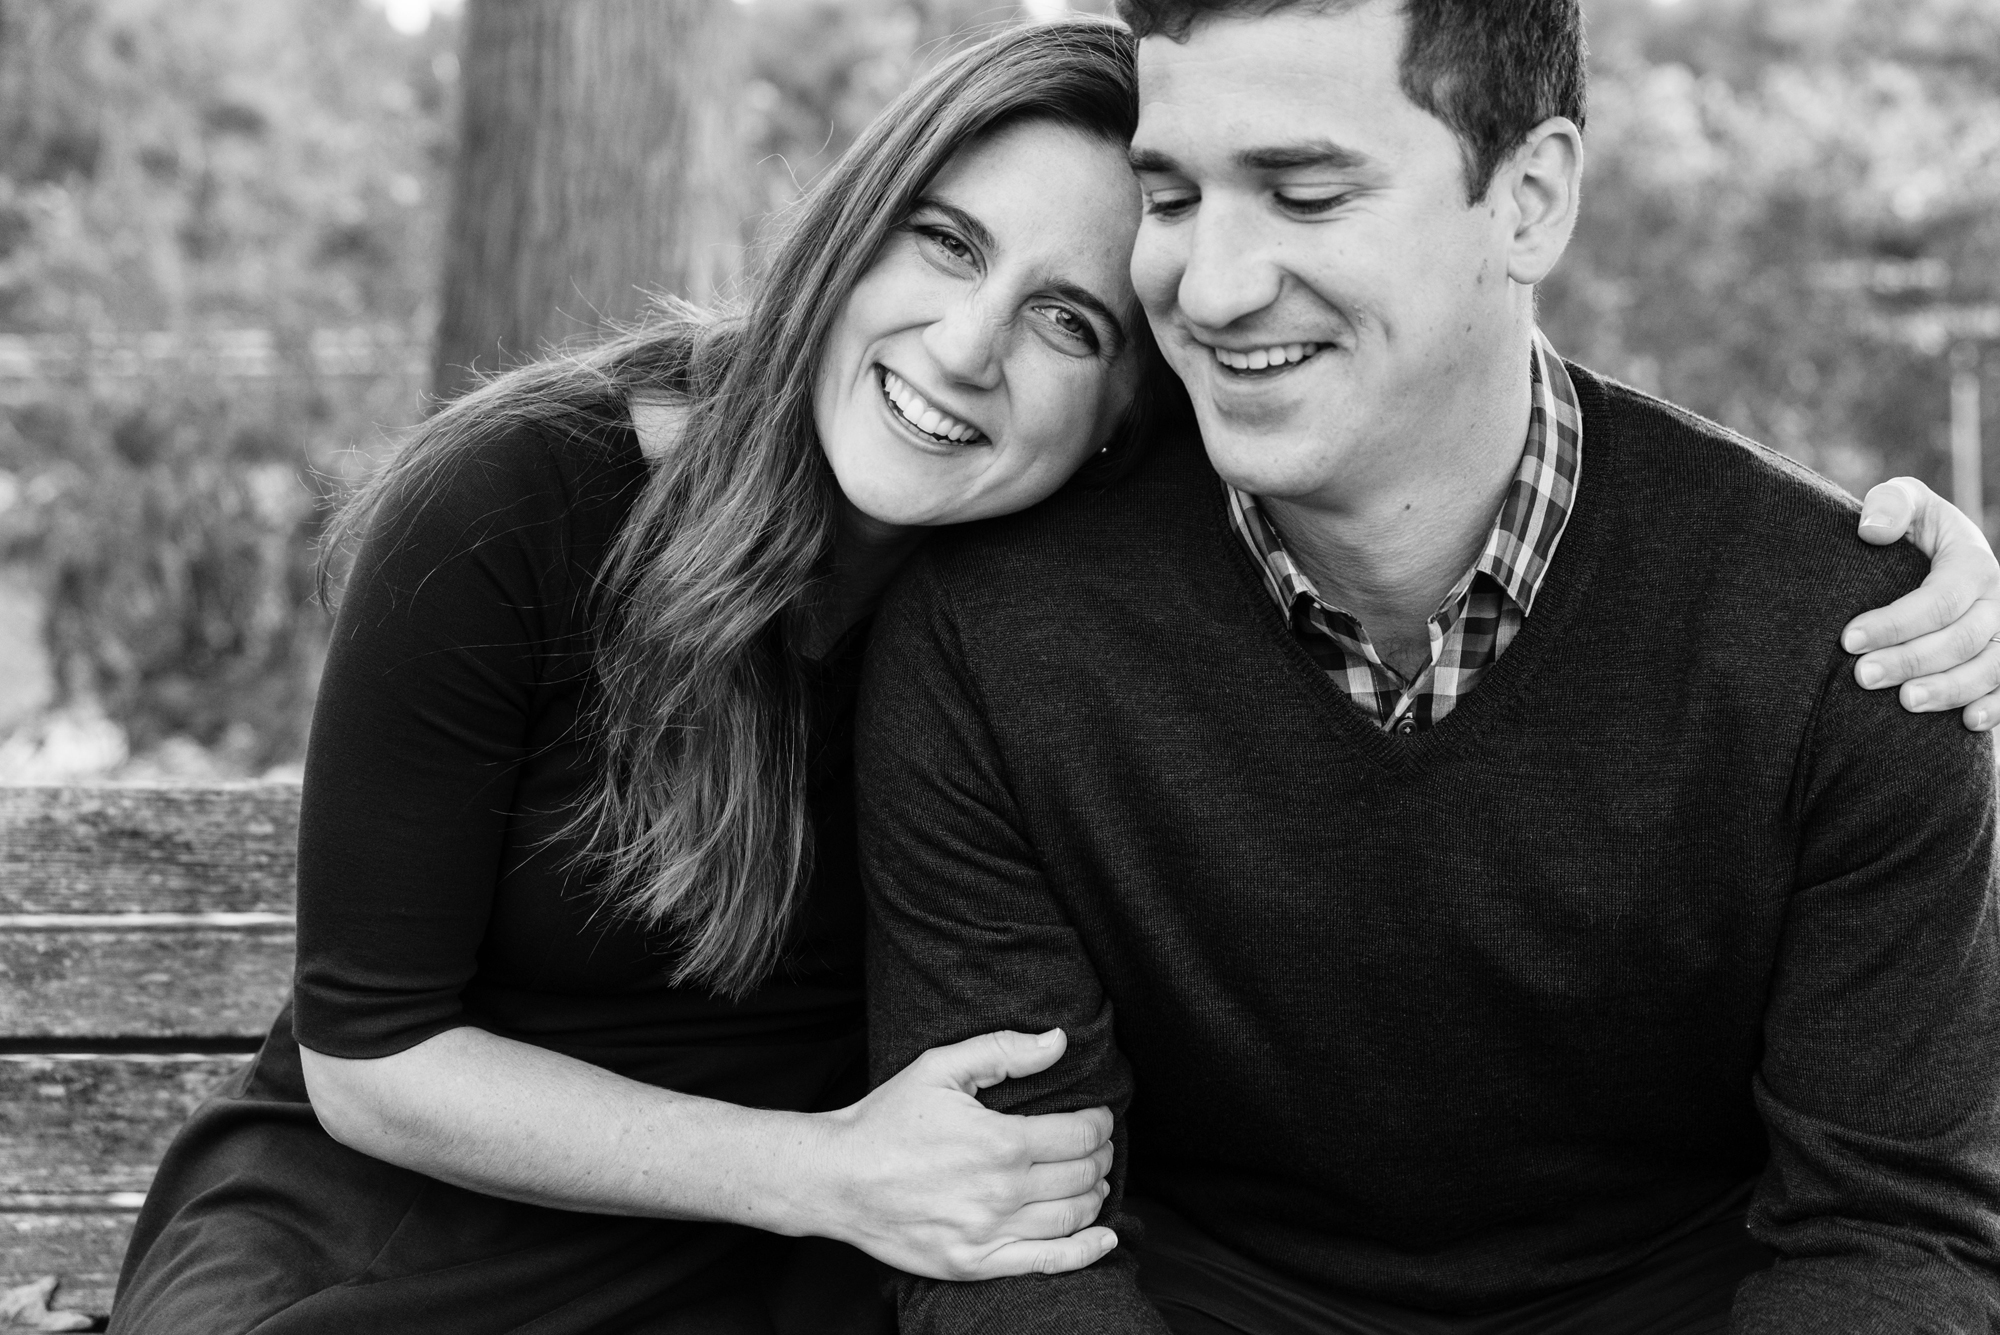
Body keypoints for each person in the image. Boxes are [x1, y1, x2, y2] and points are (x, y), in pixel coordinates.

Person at [859, 3, 2000, 1335]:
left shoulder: (1855, 641)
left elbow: (1890, 1237)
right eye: (1169, 197)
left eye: (1306, 193)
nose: (1214, 286)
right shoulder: (994, 635)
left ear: (1528, 200)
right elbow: (1012, 1236)